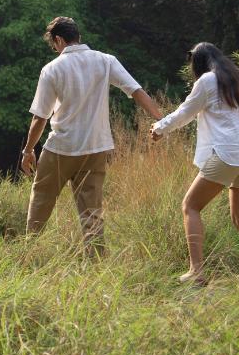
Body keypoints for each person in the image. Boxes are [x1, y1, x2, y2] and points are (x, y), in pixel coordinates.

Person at [20, 16, 163, 253]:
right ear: (79, 37)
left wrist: (28, 150)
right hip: (96, 147)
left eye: (54, 45)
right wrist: (162, 120)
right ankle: (96, 260)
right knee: (91, 210)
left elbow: (40, 117)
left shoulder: (52, 69)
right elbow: (136, 91)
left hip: (61, 148)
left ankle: (30, 251)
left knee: (42, 198)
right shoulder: (105, 61)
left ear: (58, 40)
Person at [151, 42, 239, 281]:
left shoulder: (207, 81)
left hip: (226, 155)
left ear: (198, 63)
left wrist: (160, 128)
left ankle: (196, 271)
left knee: (190, 206)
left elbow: (185, 112)